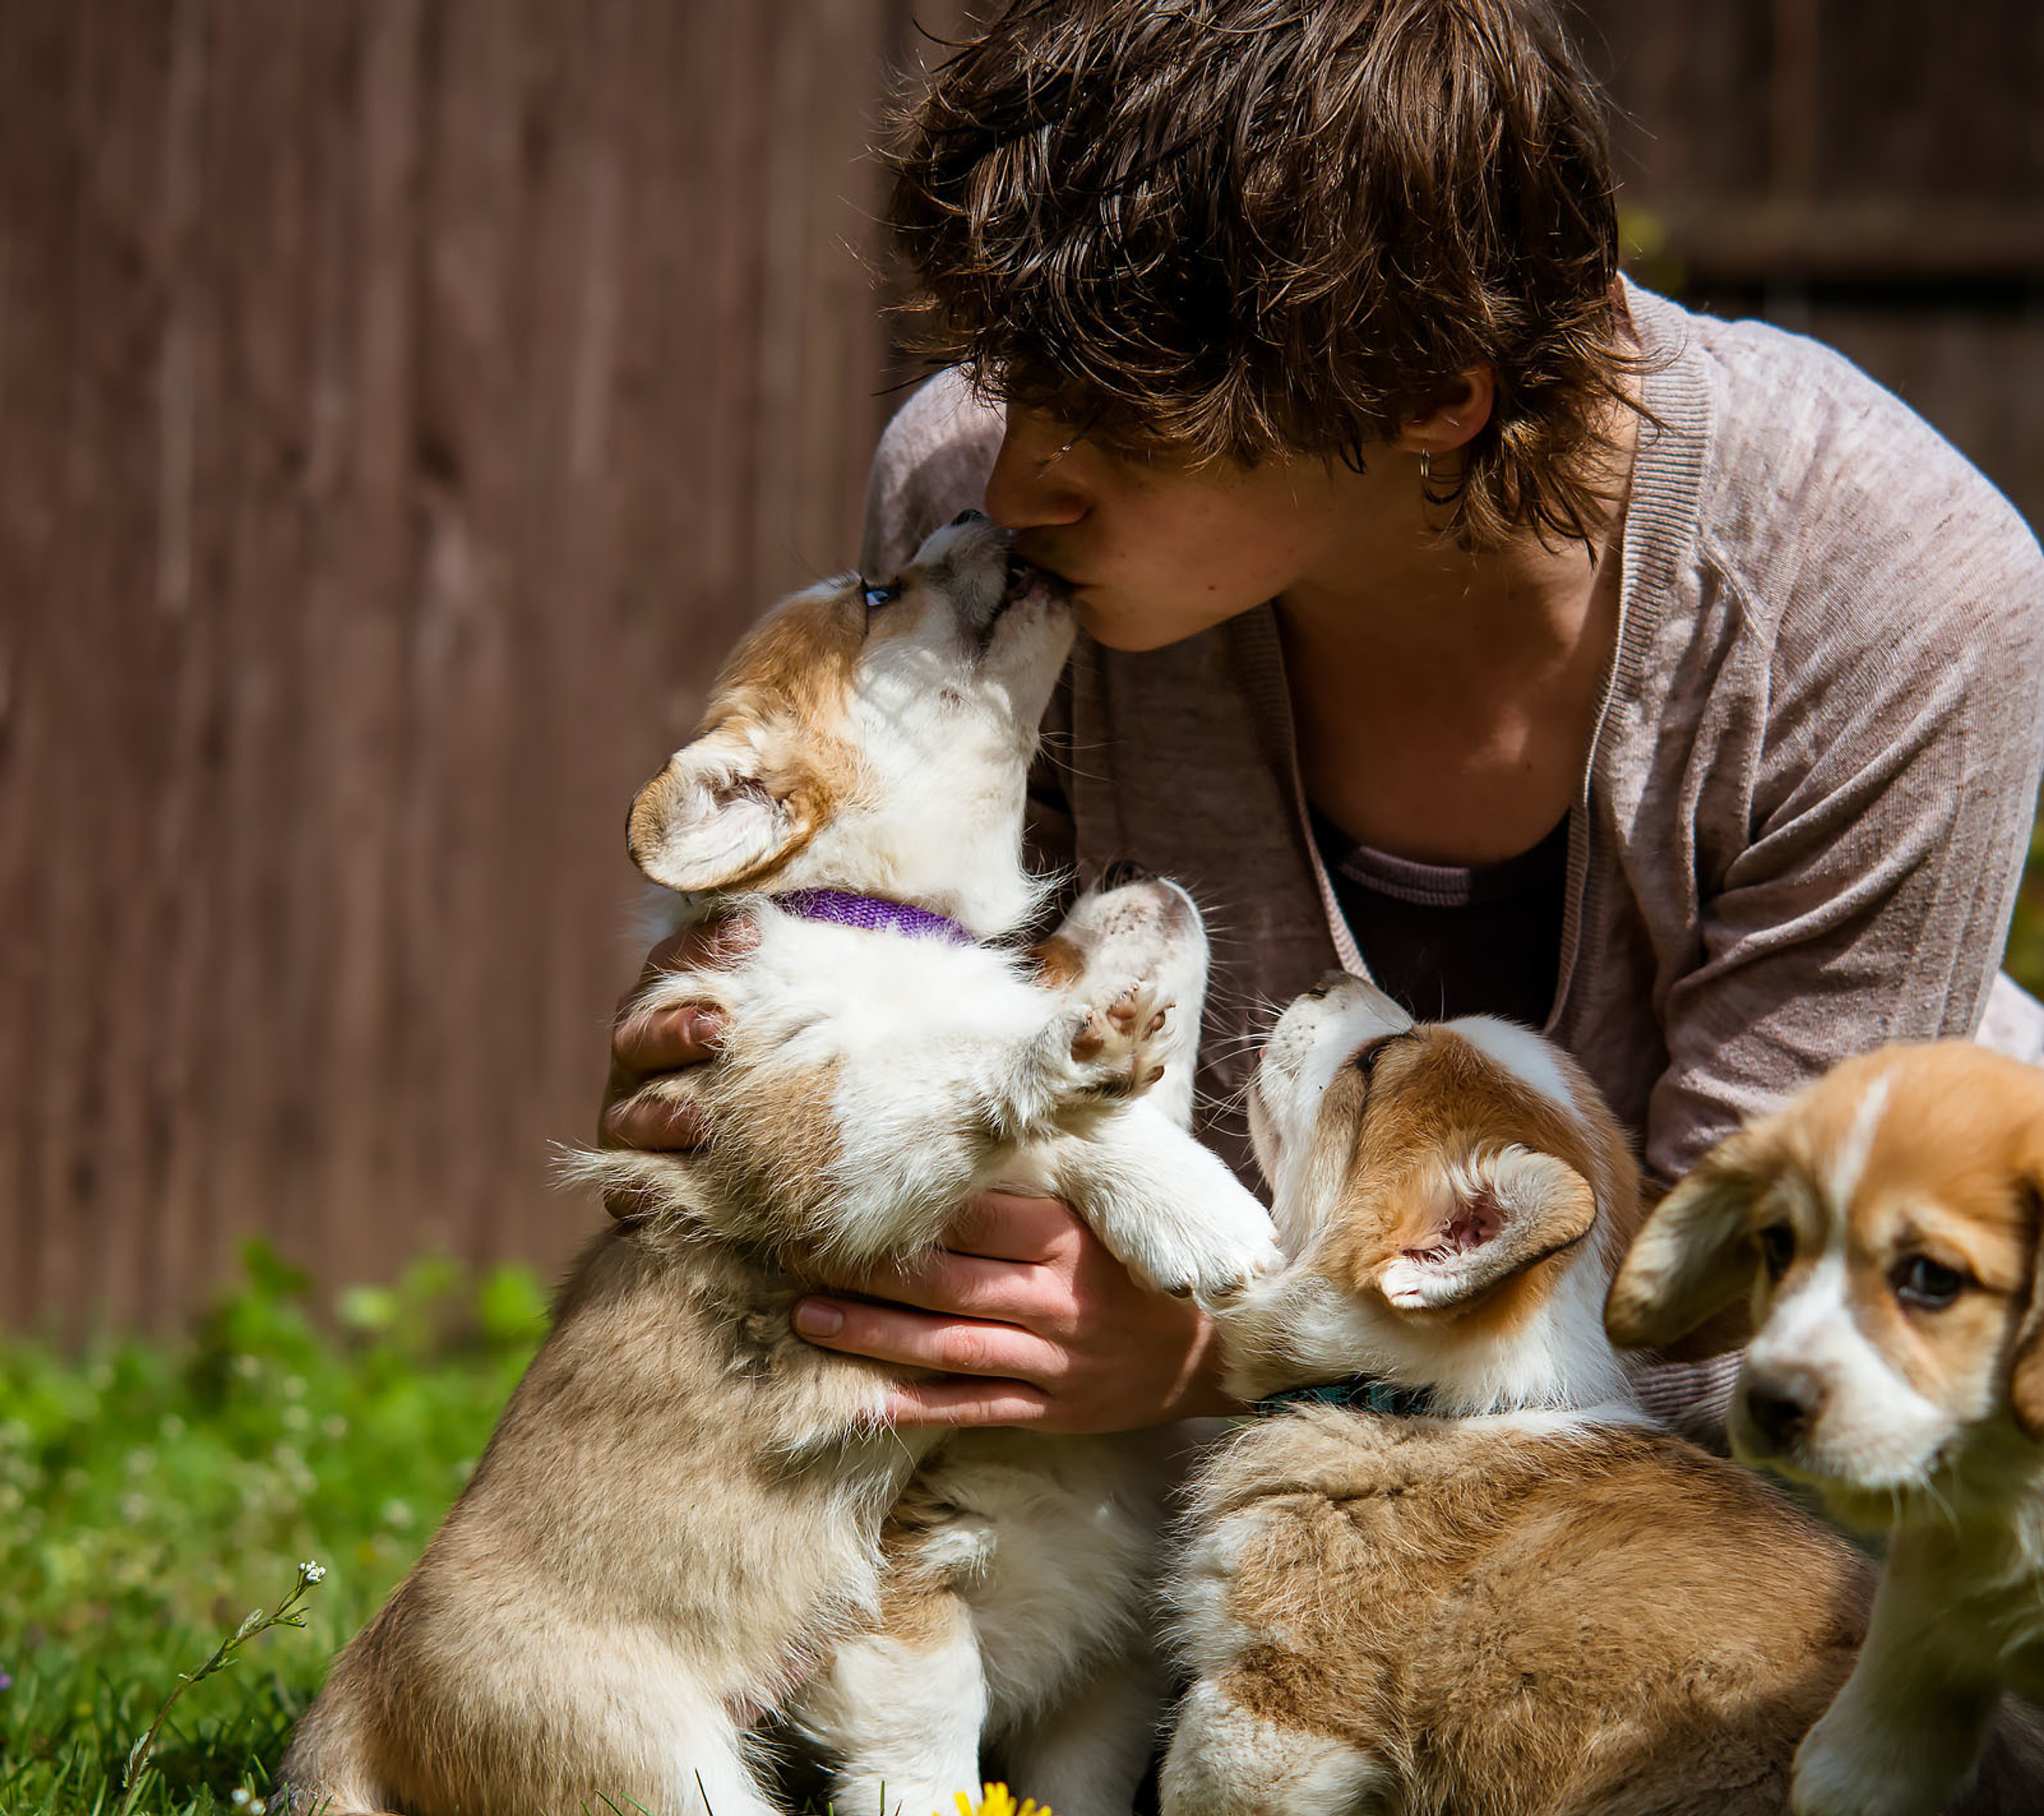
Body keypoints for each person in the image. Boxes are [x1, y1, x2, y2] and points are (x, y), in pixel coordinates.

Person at [601, 0, 2044, 1437]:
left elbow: (1749, 1343)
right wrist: (773, 1087)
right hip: (1170, 1503)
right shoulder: (984, 532)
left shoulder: (1887, 604)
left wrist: (1227, 1364)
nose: (1020, 487)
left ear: (1432, 395)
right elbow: (950, 1091)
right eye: (1015, 380)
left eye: (1116, 420)